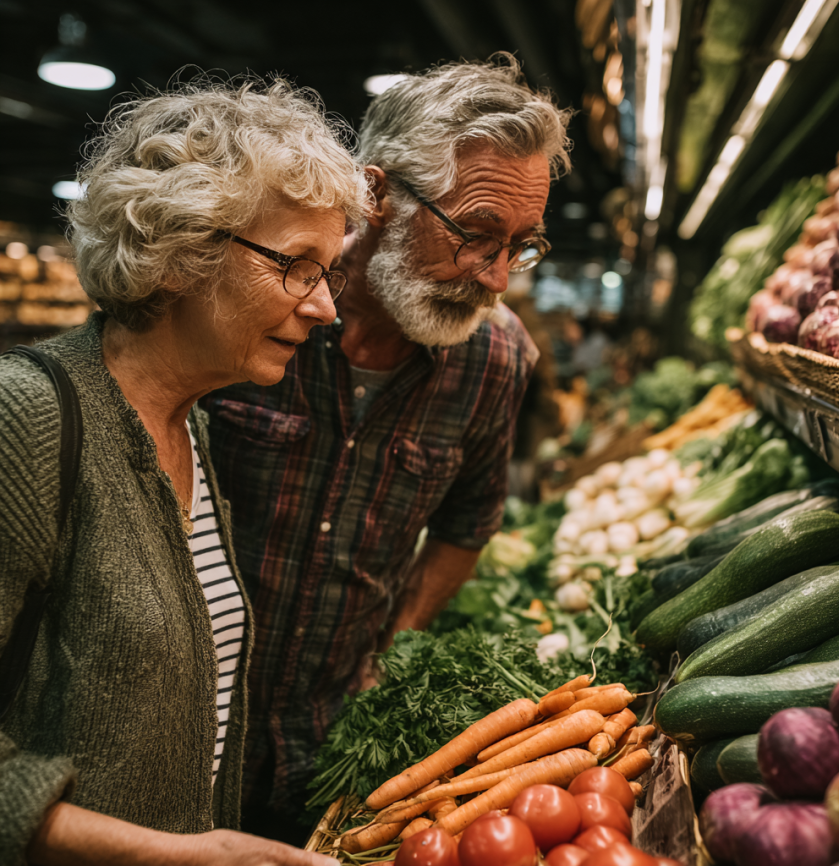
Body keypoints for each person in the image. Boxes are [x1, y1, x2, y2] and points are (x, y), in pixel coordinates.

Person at [203, 55, 573, 843]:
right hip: (175, 731)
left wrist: (395, 642)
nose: (497, 278)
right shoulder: (254, 306)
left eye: (521, 246)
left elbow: (468, 526)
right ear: (376, 193)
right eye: (474, 235)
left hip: (329, 749)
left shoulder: (494, 362)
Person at [0, 77, 367, 866]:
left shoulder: (191, 424)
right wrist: (168, 854)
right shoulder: (26, 418)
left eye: (329, 271)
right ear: (180, 253)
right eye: (297, 265)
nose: (325, 306)